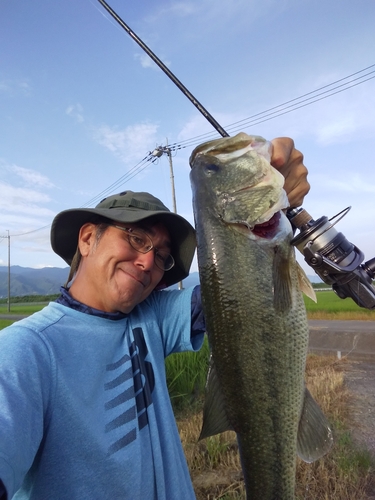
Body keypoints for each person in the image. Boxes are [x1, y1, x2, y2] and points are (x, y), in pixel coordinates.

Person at [0, 138, 309, 500]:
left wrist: (277, 206)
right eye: (135, 237)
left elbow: (241, 295)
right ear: (87, 238)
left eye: (162, 256)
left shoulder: (150, 316)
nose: (148, 262)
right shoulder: (26, 350)